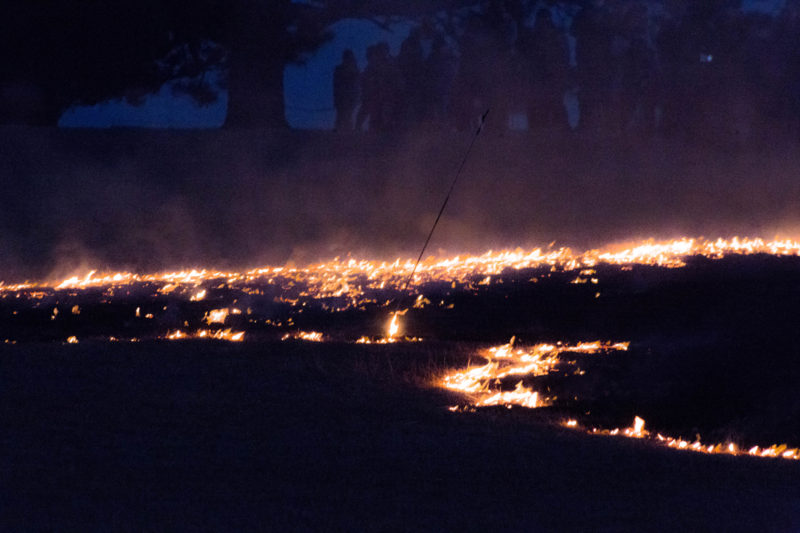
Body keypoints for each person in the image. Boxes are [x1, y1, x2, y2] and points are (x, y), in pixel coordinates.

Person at [333, 49, 359, 131]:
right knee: (342, 115)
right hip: (343, 97)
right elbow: (336, 84)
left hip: (349, 97)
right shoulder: (340, 69)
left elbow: (357, 84)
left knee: (347, 115)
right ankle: (342, 132)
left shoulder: (354, 69)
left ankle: (346, 132)